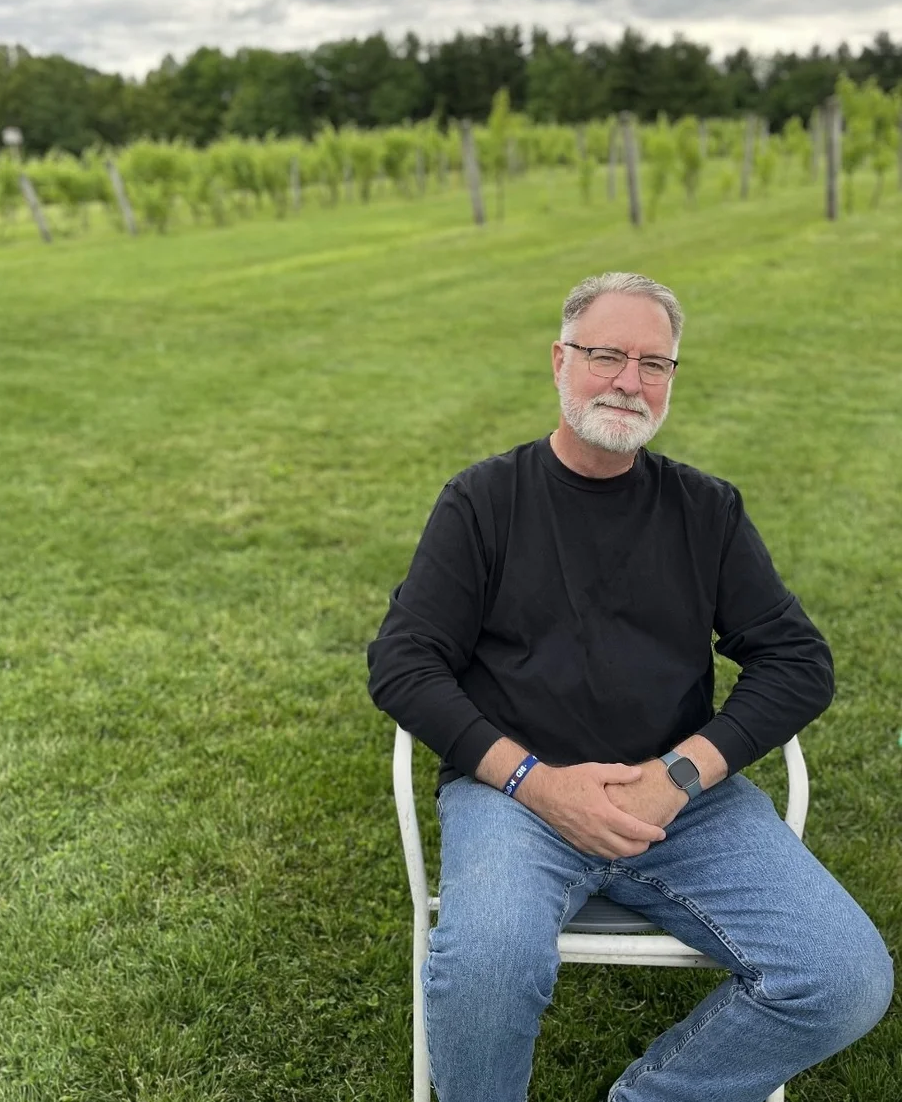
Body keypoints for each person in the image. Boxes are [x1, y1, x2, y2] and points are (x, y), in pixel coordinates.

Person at [366, 272, 893, 1102]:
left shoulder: (706, 510)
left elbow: (798, 660)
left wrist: (678, 774)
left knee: (845, 977)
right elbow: (402, 662)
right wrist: (533, 781)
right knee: (484, 968)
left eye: (654, 363)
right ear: (560, 360)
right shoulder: (483, 501)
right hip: (515, 795)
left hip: (681, 803)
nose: (628, 381)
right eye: (606, 355)